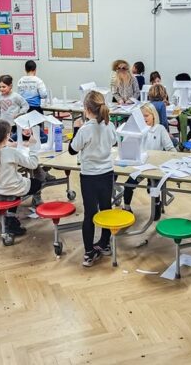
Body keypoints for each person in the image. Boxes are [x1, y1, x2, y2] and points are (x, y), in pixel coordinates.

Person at [68, 90, 118, 267]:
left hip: (89, 176)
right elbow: (114, 142)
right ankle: (105, 244)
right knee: (106, 208)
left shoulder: (84, 129)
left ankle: (89, 252)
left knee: (90, 213)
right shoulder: (109, 125)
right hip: (107, 173)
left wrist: (76, 128)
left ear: (87, 110)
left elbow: (72, 149)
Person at [0, 119, 45, 239]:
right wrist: (33, 147)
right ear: (8, 135)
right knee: (37, 182)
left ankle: (10, 216)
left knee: (14, 185)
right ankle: (12, 217)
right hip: (13, 189)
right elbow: (33, 164)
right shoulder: (11, 152)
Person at [121, 102, 175, 213]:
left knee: (153, 189)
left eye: (146, 116)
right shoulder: (137, 129)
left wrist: (176, 158)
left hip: (155, 167)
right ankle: (126, 207)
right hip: (140, 166)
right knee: (128, 185)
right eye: (141, 117)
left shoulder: (160, 129)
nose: (144, 119)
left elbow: (170, 148)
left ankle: (157, 205)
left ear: (154, 116)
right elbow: (127, 146)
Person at [174, 73, 191, 140]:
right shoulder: (177, 92)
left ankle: (185, 141)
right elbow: (174, 103)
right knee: (181, 127)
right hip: (180, 114)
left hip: (190, 114)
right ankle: (183, 141)